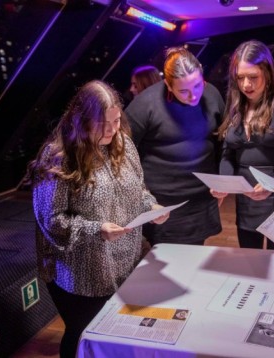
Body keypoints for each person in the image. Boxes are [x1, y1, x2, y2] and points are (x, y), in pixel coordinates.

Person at [28, 80, 168, 358]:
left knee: (116, 336)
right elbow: (51, 220)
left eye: (116, 120)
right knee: (85, 335)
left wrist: (151, 206)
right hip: (80, 271)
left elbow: (137, 189)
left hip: (124, 260)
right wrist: (96, 229)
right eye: (102, 123)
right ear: (81, 120)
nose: (111, 129)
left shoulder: (123, 144)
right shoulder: (58, 156)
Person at [212, 40, 274, 249]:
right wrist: (224, 182)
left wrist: (272, 185)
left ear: (267, 72)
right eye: (240, 78)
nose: (246, 85)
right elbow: (228, 153)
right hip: (248, 198)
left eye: (253, 77)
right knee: (251, 260)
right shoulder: (235, 102)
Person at [125, 46, 225, 246]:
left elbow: (222, 142)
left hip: (201, 198)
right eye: (183, 91)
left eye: (197, 85)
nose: (193, 96)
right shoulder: (144, 105)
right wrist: (144, 199)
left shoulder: (212, 94)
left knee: (197, 252)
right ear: (168, 85)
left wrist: (222, 180)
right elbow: (123, 156)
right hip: (163, 203)